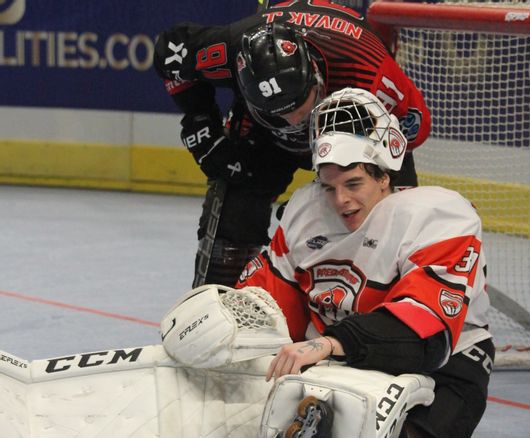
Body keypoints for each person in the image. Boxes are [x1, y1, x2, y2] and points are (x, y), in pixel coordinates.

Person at [236, 88, 493, 438]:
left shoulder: (441, 218)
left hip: (446, 362)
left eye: (353, 183)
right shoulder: (304, 213)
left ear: (384, 175)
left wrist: (327, 345)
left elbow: (421, 336)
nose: (341, 200)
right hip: (337, 355)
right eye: (329, 187)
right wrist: (225, 320)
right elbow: (266, 302)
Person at [152, 0, 431, 288]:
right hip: (265, 139)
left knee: (391, 225)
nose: (294, 123)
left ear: (315, 75)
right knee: (234, 218)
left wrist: (371, 183)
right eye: (279, 114)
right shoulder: (230, 47)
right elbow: (166, 52)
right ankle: (224, 306)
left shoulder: (370, 73)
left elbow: (413, 131)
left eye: (300, 107)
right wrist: (202, 126)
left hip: (347, 127)